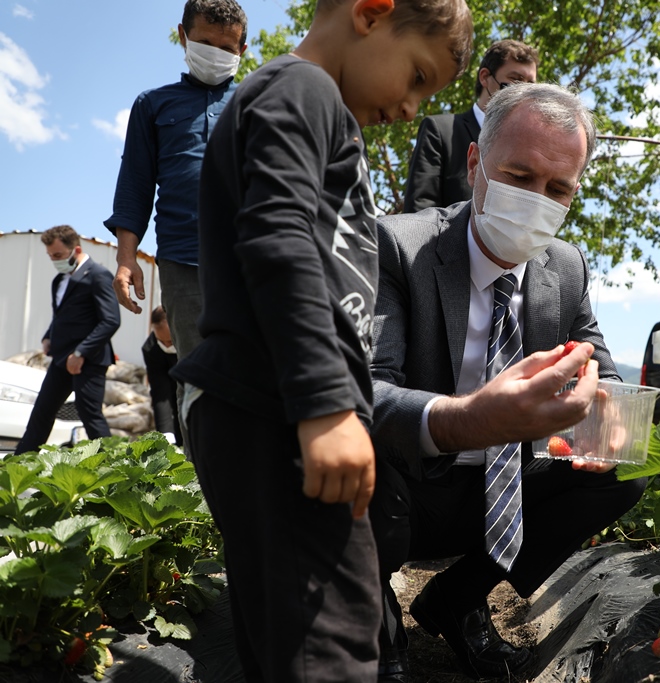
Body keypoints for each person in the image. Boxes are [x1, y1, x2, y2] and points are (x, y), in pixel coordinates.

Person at [169, 0, 474, 680]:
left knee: (295, 647)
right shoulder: (300, 89)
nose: (409, 107)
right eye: (417, 76)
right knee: (332, 652)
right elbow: (278, 238)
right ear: (370, 13)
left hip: (275, 411)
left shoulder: (314, 107)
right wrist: (328, 404)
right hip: (275, 410)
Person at [370, 83, 646, 682]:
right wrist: (469, 417)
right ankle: (373, 610)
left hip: (505, 487)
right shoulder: (398, 246)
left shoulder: (566, 266)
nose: (536, 201)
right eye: (519, 176)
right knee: (342, 468)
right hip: (407, 486)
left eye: (558, 189)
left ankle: (456, 598)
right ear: (475, 164)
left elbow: (602, 362)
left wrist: (604, 417)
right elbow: (365, 391)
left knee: (624, 471)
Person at [105, 0, 248, 362]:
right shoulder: (152, 105)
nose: (216, 55)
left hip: (252, 259)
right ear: (183, 36)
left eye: (227, 49)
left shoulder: (259, 102)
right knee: (200, 375)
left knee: (260, 375)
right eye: (205, 44)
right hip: (183, 263)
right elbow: (135, 185)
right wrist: (126, 258)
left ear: (242, 51)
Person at [16, 226, 120, 455]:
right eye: (51, 256)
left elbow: (110, 320)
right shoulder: (59, 280)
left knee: (90, 416)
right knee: (42, 411)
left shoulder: (98, 275)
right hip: (62, 358)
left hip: (89, 359)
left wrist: (81, 352)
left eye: (58, 256)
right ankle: (17, 468)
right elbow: (61, 316)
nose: (54, 260)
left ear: (77, 249)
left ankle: (117, 474)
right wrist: (48, 336)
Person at [403, 38, 538, 212]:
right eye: (515, 80)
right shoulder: (440, 131)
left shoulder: (529, 150)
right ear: (485, 77)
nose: (523, 91)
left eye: (530, 85)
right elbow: (419, 210)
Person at [141, 306, 181, 445]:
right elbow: (160, 393)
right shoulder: (151, 349)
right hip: (169, 385)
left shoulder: (189, 343)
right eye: (161, 341)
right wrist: (166, 435)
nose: (166, 345)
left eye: (170, 342)